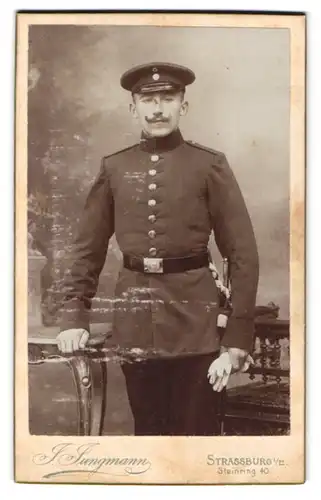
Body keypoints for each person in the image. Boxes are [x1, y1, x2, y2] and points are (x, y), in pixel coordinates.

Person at [57, 62, 259, 436]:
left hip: (197, 325)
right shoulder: (115, 168)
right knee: (148, 433)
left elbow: (243, 255)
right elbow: (87, 250)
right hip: (135, 326)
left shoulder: (209, 165)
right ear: (133, 107)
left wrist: (236, 338)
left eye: (168, 98)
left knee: (197, 435)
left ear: (184, 105)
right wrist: (73, 317)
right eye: (148, 99)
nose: (158, 108)